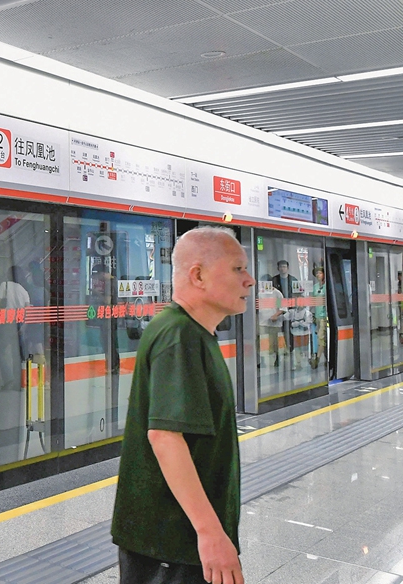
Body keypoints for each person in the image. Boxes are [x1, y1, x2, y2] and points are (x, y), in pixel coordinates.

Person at [112, 227, 253, 584]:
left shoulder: (193, 332)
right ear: (198, 275)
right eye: (238, 269)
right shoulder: (179, 335)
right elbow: (165, 437)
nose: (249, 281)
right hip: (171, 542)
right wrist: (210, 534)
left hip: (176, 539)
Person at [257, 277, 287, 369]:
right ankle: (260, 359)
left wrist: (276, 315)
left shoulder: (277, 293)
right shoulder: (260, 293)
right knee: (259, 341)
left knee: (274, 342)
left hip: (274, 322)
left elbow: (283, 308)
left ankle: (277, 358)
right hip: (262, 321)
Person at [312, 265, 327, 370]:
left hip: (324, 316)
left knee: (321, 338)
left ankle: (317, 359)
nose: (318, 275)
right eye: (317, 273)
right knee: (321, 338)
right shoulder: (315, 287)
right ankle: (326, 358)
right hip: (317, 316)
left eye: (320, 273)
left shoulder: (327, 286)